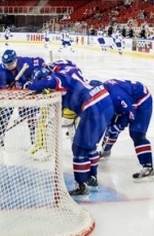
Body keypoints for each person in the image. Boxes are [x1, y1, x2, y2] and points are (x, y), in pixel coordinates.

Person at [24, 64, 113, 197]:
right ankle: (92, 177)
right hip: (106, 101)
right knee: (90, 146)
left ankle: (81, 185)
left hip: (92, 106)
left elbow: (39, 85)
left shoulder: (54, 78)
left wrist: (29, 85)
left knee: (78, 148)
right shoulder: (68, 70)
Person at [95, 79, 154, 180]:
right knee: (111, 124)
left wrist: (119, 126)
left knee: (137, 134)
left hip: (141, 101)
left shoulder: (117, 97)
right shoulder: (105, 94)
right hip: (127, 102)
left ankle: (148, 167)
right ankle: (106, 150)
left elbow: (131, 114)